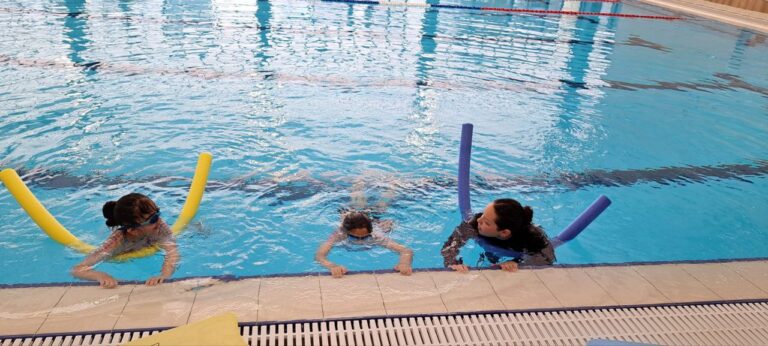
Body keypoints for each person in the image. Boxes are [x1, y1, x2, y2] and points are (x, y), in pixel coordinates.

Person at [71, 193, 179, 288]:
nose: (159, 220)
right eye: (153, 219)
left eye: (157, 213)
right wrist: (101, 276)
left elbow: (172, 253)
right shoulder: (116, 241)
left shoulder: (159, 227)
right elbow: (78, 269)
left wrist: (164, 275)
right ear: (132, 230)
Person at [315, 179, 413, 278]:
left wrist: (404, 264)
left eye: (366, 237)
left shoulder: (376, 235)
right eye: (355, 238)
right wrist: (332, 266)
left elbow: (406, 251)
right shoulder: (340, 234)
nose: (361, 241)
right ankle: (358, 184)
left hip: (373, 219)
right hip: (351, 217)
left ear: (370, 232)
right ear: (347, 232)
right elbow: (320, 256)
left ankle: (393, 184)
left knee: (382, 205)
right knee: (356, 204)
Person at [441, 198, 555, 273]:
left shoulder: (532, 237)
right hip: (491, 250)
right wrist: (453, 263)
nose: (479, 220)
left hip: (516, 253)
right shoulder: (475, 222)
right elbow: (451, 245)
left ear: (504, 232)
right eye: (483, 214)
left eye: (486, 222)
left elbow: (546, 259)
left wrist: (517, 263)